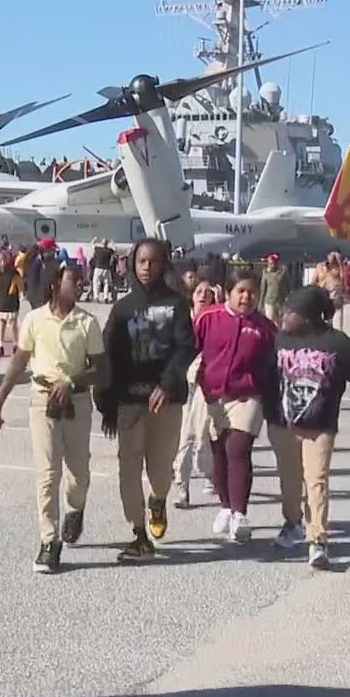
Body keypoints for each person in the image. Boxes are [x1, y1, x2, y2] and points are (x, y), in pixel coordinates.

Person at [269, 286, 350, 567]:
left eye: (290, 312)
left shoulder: (337, 343)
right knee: (290, 481)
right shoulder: (279, 340)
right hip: (283, 423)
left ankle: (317, 539)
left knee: (316, 480)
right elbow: (264, 376)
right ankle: (292, 522)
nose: (284, 316)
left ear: (306, 317)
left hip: (320, 425)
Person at [0, 263, 103, 574]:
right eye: (73, 280)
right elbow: (19, 361)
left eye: (82, 281)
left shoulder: (87, 323)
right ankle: (49, 542)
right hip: (42, 401)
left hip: (76, 401)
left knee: (78, 474)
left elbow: (100, 369)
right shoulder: (34, 320)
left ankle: (75, 509)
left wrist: (73, 382)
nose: (79, 286)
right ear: (56, 282)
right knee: (48, 474)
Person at [97, 239, 195, 561]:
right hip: (130, 402)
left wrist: (167, 384)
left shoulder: (177, 304)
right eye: (141, 261)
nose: (146, 267)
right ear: (132, 264)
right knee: (128, 466)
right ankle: (139, 534)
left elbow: (185, 348)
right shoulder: (122, 309)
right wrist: (107, 404)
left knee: (161, 469)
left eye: (152, 261)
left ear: (163, 264)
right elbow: (108, 358)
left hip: (167, 402)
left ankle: (158, 500)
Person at [194, 273, 277, 543]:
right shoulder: (208, 317)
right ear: (228, 291)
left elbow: (272, 364)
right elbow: (190, 350)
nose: (246, 297)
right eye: (240, 291)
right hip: (213, 397)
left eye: (251, 292)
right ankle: (226, 507)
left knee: (238, 450)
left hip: (247, 397)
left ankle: (240, 514)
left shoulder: (265, 327)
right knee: (218, 453)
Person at [174, 279, 223, 508]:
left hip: (207, 383)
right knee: (185, 435)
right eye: (199, 291)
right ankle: (182, 487)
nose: (203, 295)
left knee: (204, 434)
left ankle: (209, 474)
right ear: (192, 296)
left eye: (208, 292)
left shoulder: (217, 320)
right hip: (185, 382)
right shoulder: (183, 320)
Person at [0, 248, 23, 357]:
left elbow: (20, 285)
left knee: (13, 324)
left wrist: (21, 293)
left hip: (12, 300)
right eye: (0, 260)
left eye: (4, 260)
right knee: (2, 323)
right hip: (1, 301)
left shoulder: (14, 273)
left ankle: (15, 345)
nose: (2, 262)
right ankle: (0, 345)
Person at [21, 238, 61, 312]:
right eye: (53, 249)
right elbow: (48, 280)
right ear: (46, 250)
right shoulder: (46, 262)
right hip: (41, 298)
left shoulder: (31, 259)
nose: (54, 252)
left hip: (33, 296)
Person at [313, 251, 349, 331]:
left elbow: (343, 279)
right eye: (331, 255)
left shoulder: (338, 268)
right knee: (325, 320)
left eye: (335, 256)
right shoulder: (321, 267)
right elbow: (314, 281)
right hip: (323, 295)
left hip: (336, 297)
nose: (332, 258)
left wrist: (339, 263)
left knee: (337, 322)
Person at [259, 253, 288, 324]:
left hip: (281, 301)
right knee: (270, 320)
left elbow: (287, 285)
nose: (271, 265)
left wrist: (288, 297)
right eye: (270, 263)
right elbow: (263, 289)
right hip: (269, 301)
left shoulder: (283, 272)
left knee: (280, 321)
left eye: (273, 263)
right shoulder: (265, 273)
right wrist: (261, 304)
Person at [90, 238, 114, 303]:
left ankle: (96, 297)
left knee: (96, 283)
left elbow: (92, 244)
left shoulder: (98, 249)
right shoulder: (109, 251)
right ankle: (106, 297)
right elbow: (115, 250)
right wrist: (112, 243)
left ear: (101, 243)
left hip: (98, 268)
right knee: (106, 284)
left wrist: (94, 240)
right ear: (107, 244)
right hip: (106, 269)